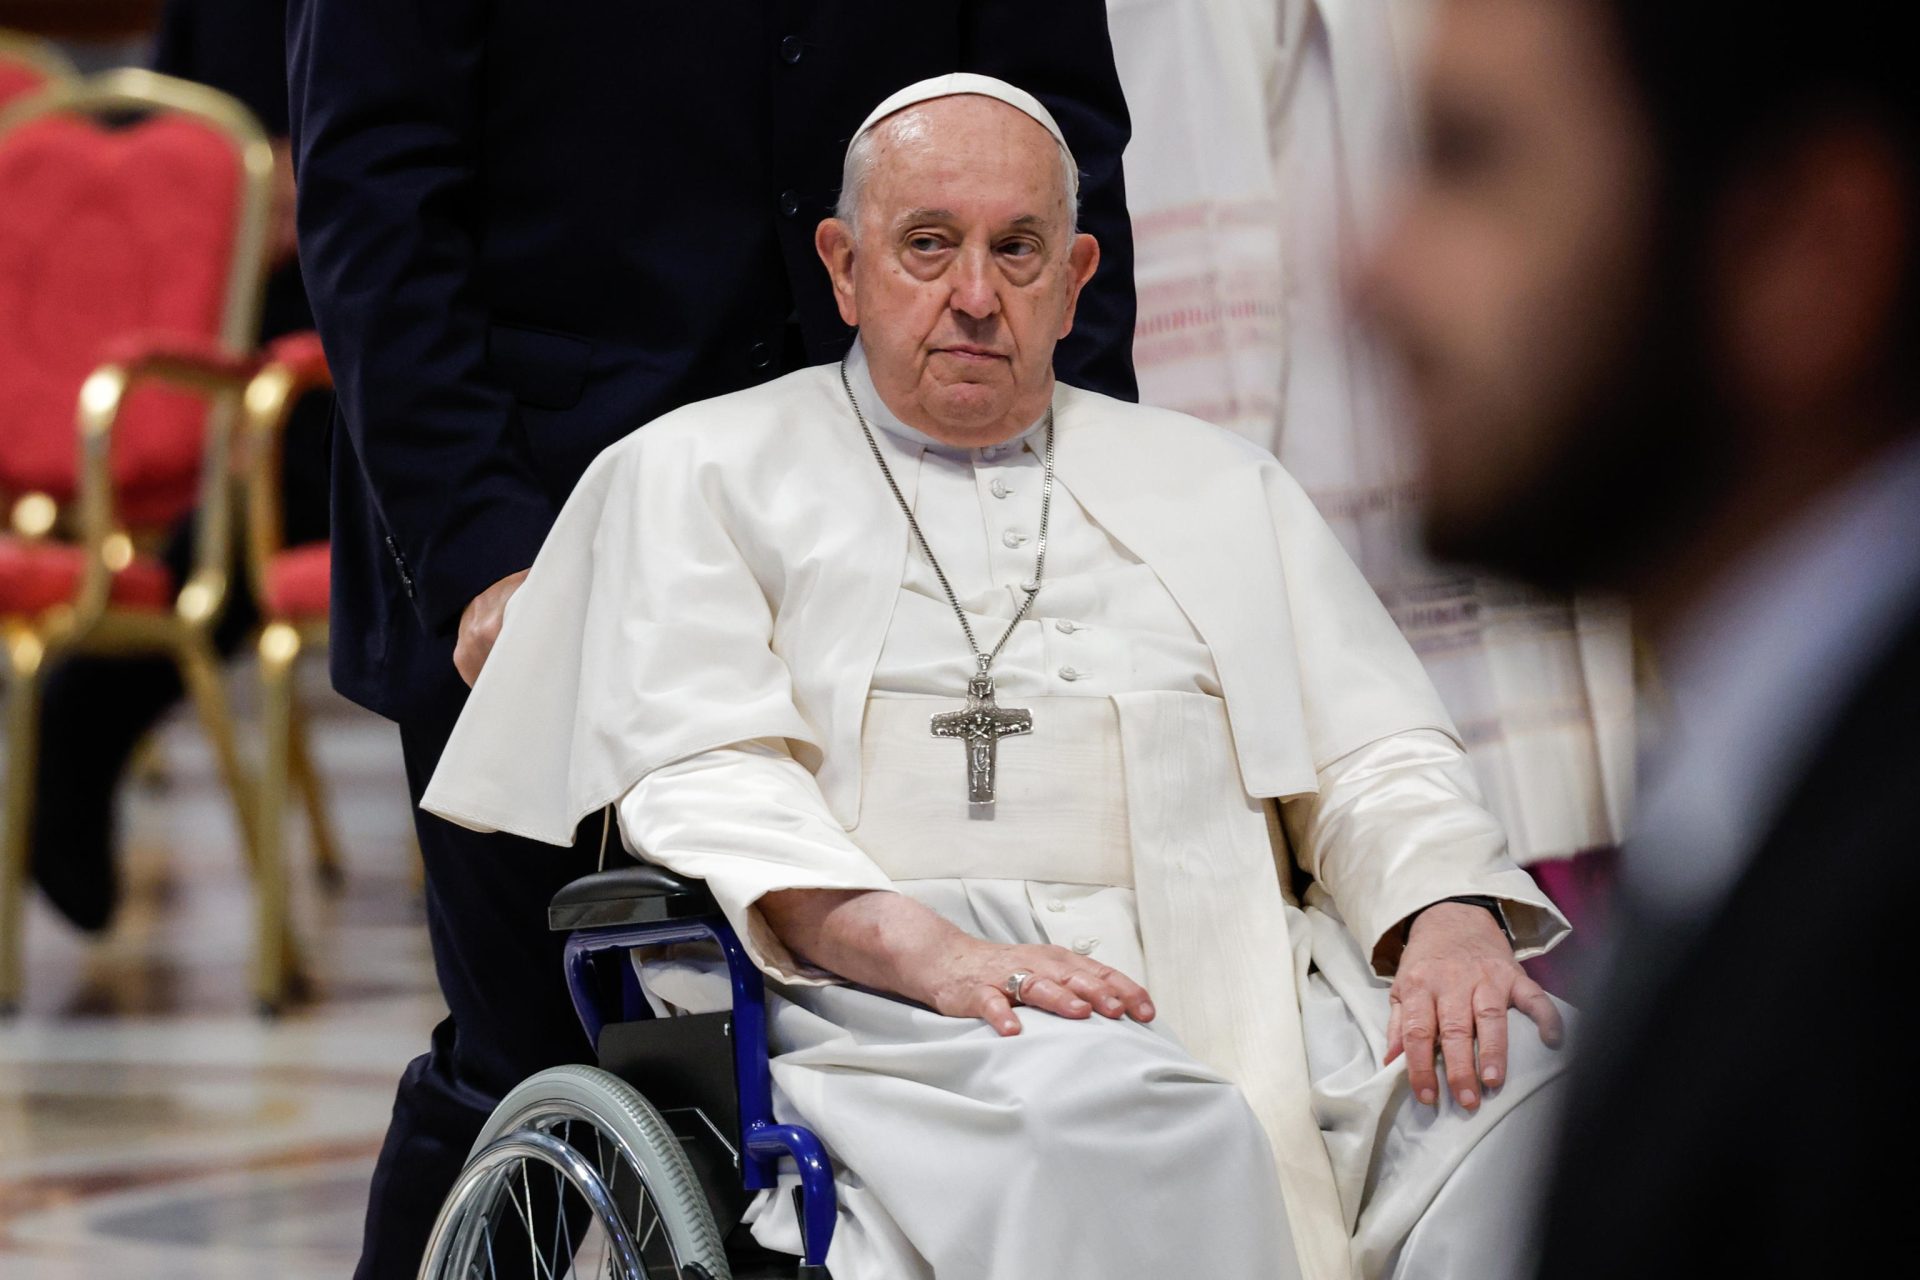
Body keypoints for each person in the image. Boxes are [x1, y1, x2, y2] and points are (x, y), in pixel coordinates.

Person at [427, 75, 1574, 1280]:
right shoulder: (697, 470)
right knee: (1129, 1122)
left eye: (1017, 251)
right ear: (843, 264)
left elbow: (1374, 749)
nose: (975, 296)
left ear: (1078, 278)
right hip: (883, 1004)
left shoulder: (1221, 485)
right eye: (929, 246)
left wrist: (1444, 912)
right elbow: (706, 782)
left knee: (1520, 1103)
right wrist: (931, 952)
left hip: (1245, 964)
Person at [285, 4, 1139, 1274]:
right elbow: (376, 202)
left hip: (908, 508)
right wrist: (482, 556)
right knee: (536, 1040)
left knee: (892, 1041)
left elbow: (1066, 155)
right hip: (552, 516)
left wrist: (1088, 496)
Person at [1360, 1, 1920, 1274]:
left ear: (1803, 252)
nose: (1373, 268)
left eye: (1474, 161)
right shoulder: (1773, 779)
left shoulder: (1881, 953)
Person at [26, 0, 330, 933]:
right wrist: (220, 194)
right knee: (272, 438)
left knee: (314, 430)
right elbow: (155, 129)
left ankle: (100, 698)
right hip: (243, 331)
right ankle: (100, 697)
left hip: (369, 323)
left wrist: (321, 183)